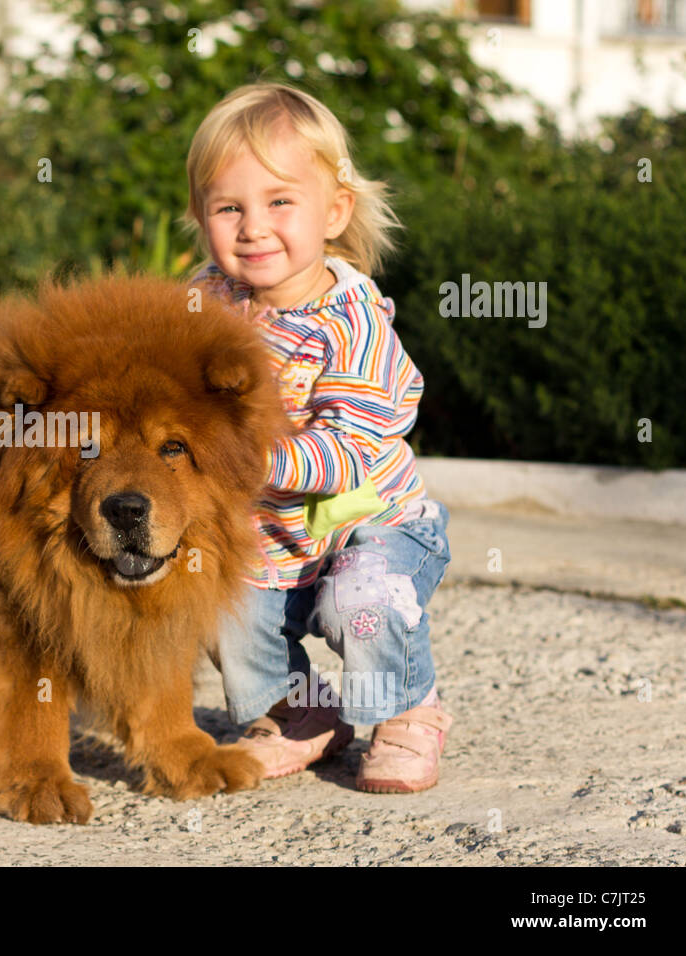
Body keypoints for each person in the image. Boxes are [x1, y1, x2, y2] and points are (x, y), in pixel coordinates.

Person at [182, 82, 453, 792]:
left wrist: (238, 455)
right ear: (200, 218)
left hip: (372, 525)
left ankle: (406, 712)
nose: (252, 226)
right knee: (218, 603)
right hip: (269, 531)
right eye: (228, 207)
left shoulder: (352, 323)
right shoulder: (204, 303)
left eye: (279, 202)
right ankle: (303, 714)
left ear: (334, 211)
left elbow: (341, 455)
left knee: (360, 604)